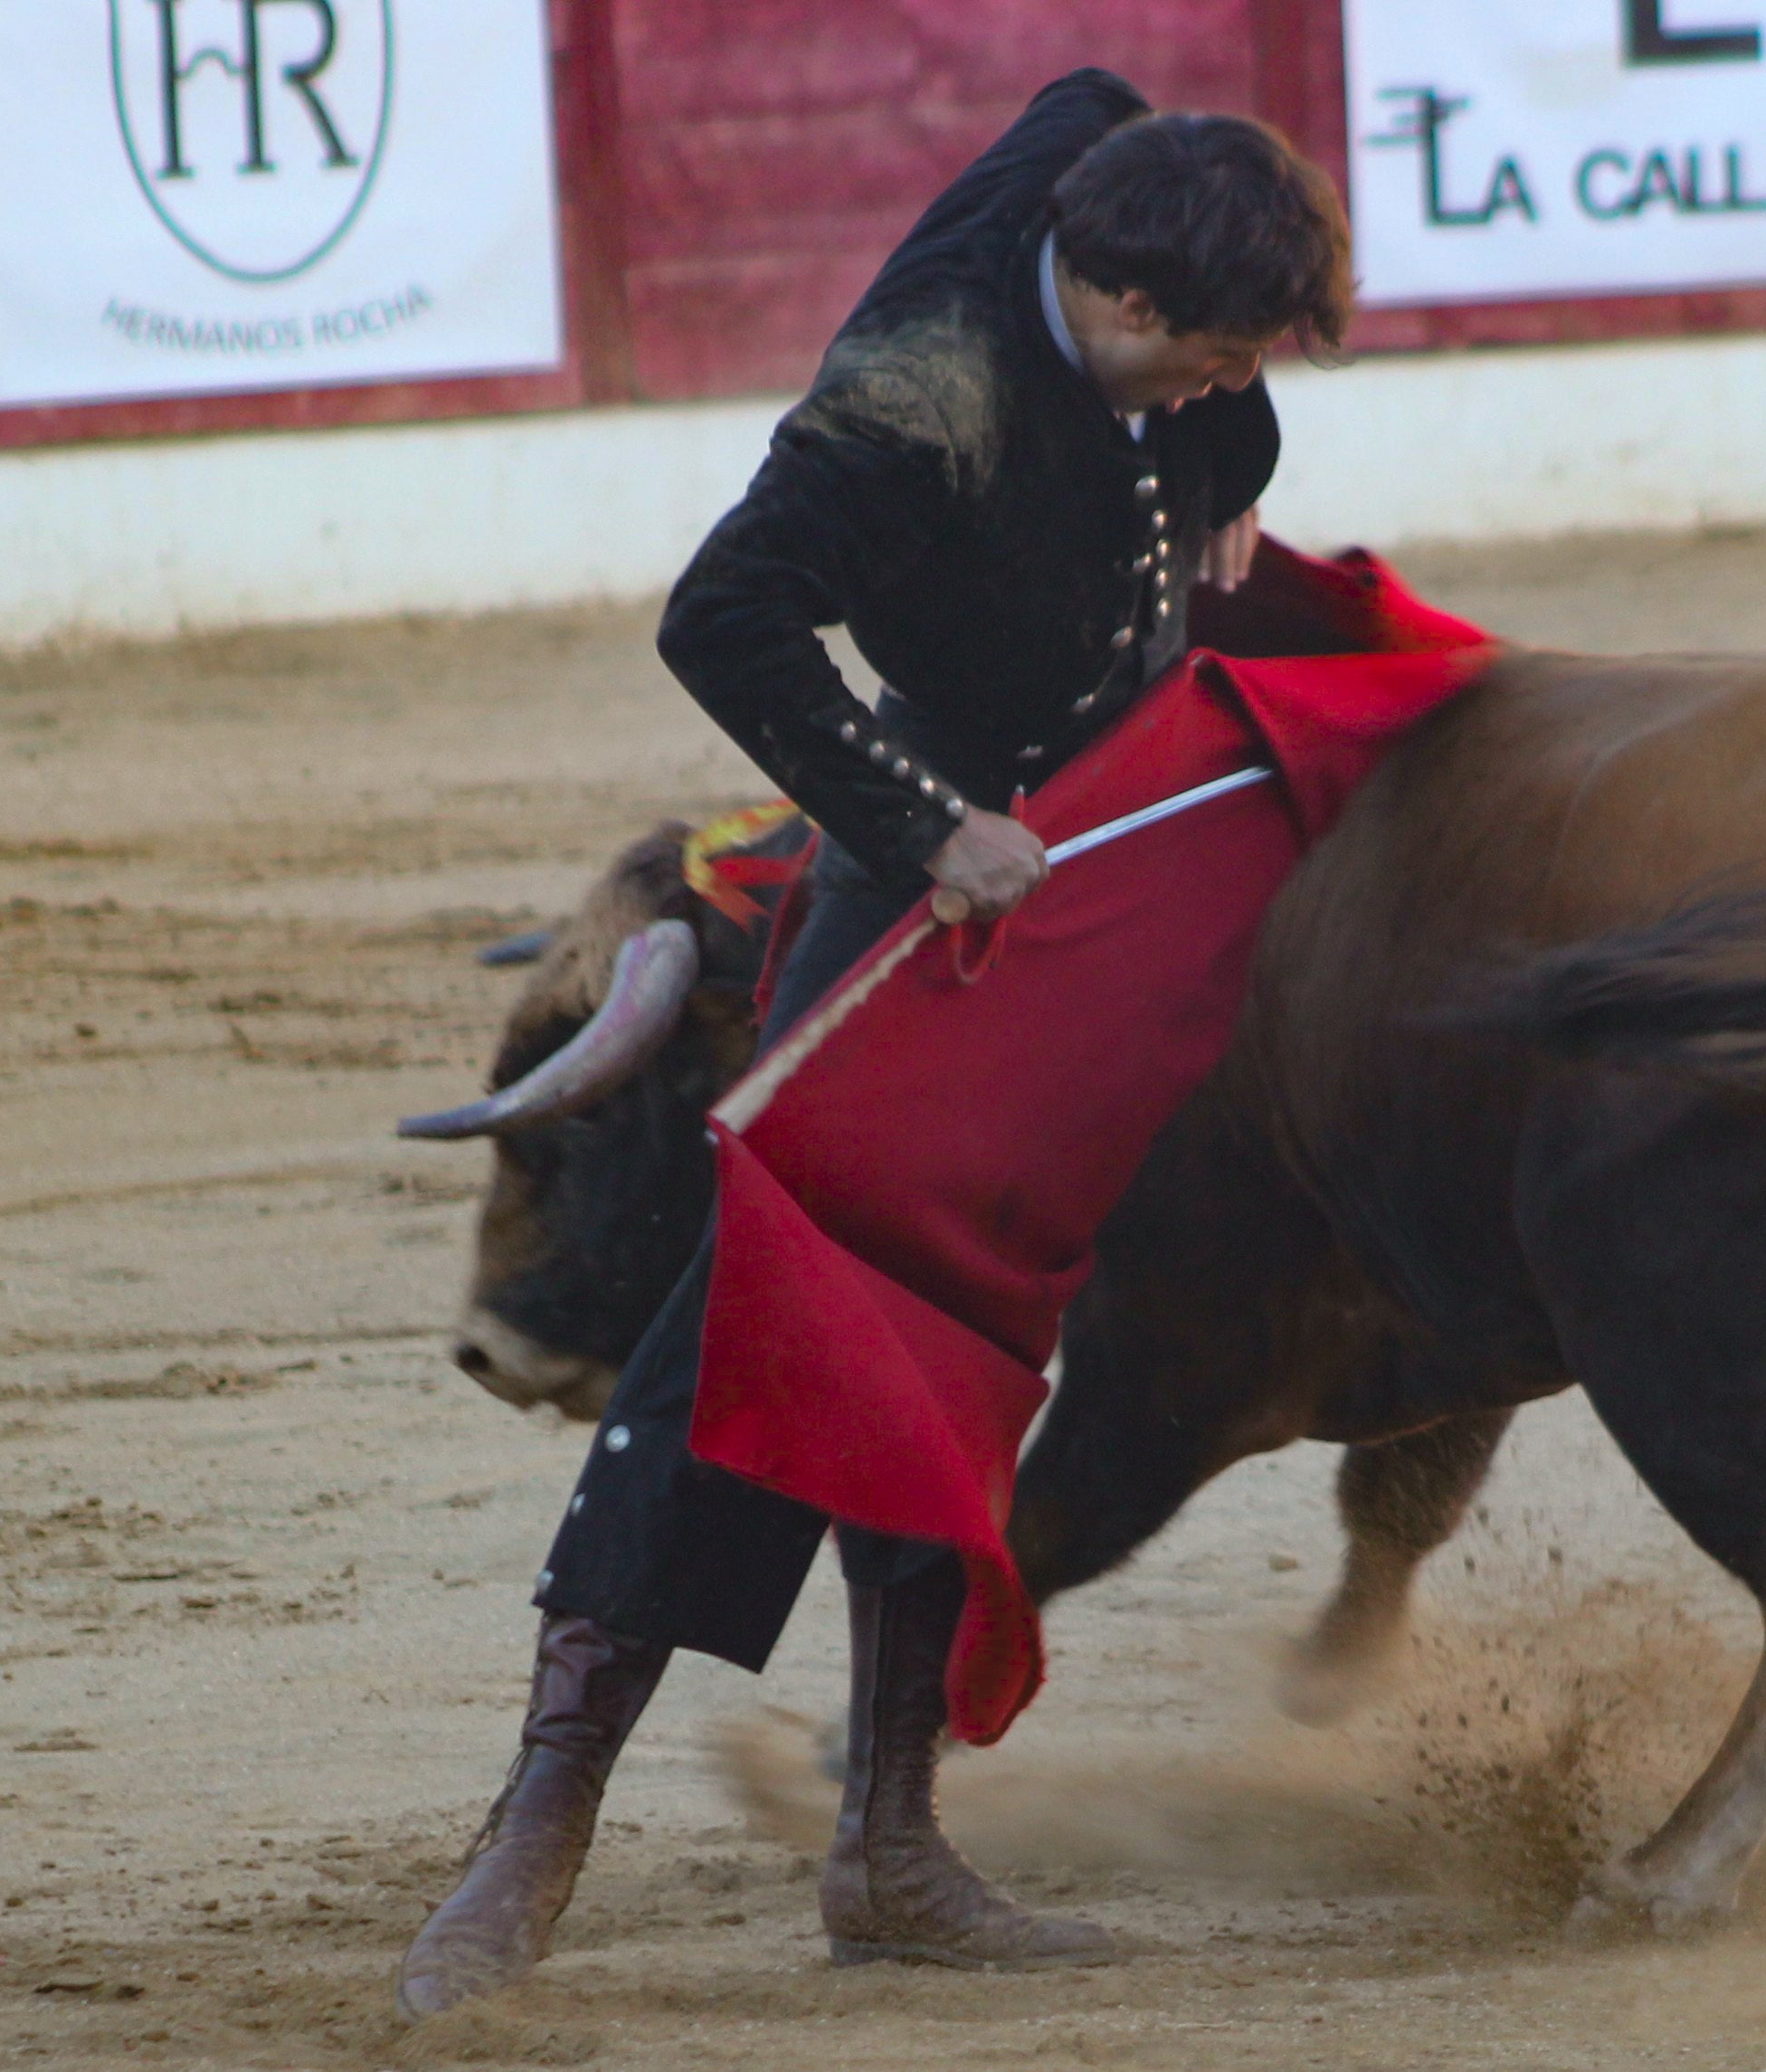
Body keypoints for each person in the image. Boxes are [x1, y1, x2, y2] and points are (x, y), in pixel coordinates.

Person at [394, 70, 1353, 2019]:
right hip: (940, 862)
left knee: (984, 1327)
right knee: (789, 1294)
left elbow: (1102, 97)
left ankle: (892, 1844)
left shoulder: (1098, 193)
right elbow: (722, 615)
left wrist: (1227, 476)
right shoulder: (908, 415)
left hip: (1116, 817)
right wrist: (926, 822)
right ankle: (537, 1826)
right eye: (1217, 363)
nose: (1227, 383)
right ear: (1129, 313)